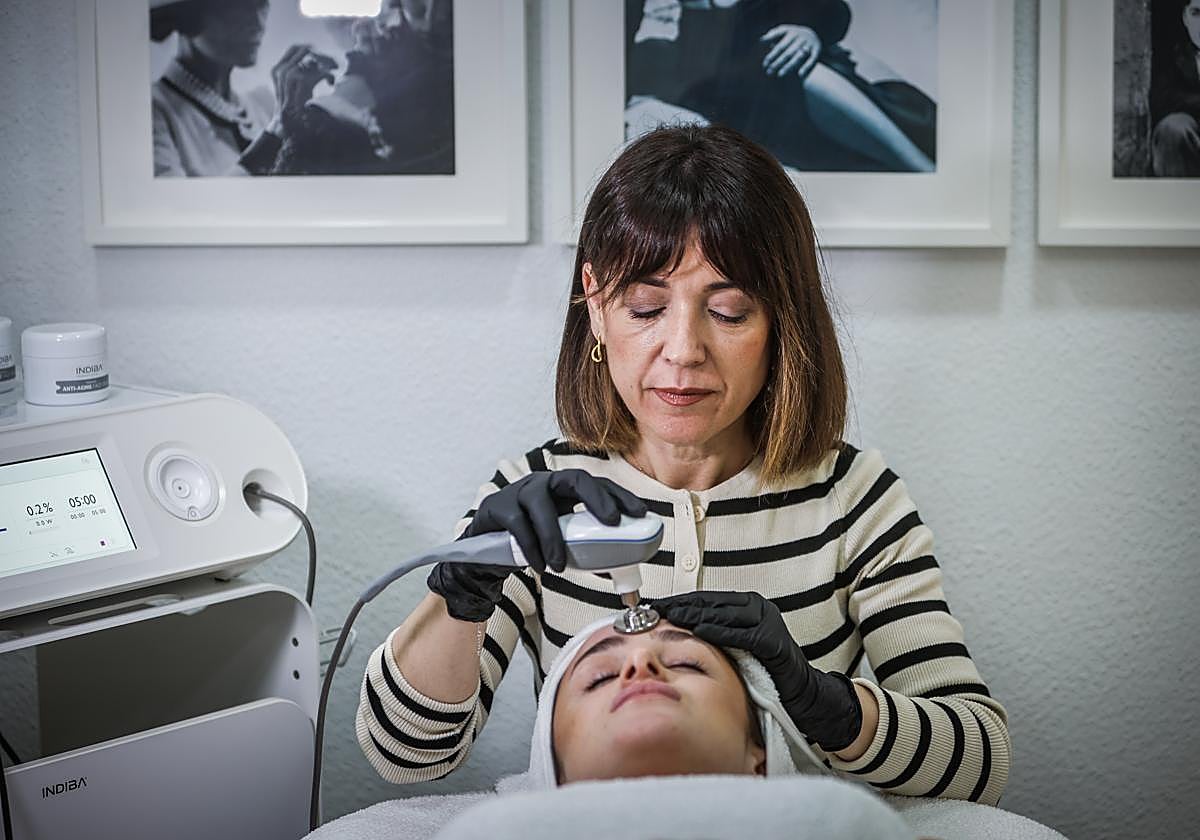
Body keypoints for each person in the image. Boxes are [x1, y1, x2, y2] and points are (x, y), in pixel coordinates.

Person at [356, 125, 1009, 805]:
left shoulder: (851, 498)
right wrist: (463, 585)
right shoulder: (539, 503)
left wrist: (821, 701)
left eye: (729, 311)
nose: (683, 350)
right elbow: (403, 755)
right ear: (596, 304)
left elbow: (980, 762)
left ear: (782, 321)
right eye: (645, 306)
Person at [624, 0, 936, 172]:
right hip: (734, 101)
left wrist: (809, 30)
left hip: (792, 89)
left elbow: (832, 10)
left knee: (795, 66)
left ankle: (917, 167)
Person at [150, 0, 336, 176]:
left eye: (262, 4)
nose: (258, 22)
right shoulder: (153, 110)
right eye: (236, 6)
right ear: (187, 16)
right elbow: (176, 207)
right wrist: (277, 130)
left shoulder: (263, 104)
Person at [1150, 0, 1200, 176]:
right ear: (1185, 17)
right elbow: (1164, 100)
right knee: (1172, 129)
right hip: (1193, 138)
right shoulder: (1172, 55)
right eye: (1196, 14)